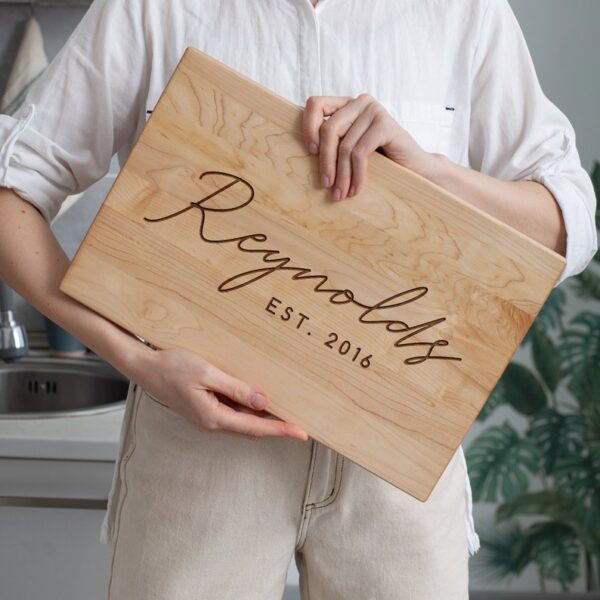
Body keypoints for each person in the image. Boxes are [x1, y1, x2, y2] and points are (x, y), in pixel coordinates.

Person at [0, 0, 596, 598]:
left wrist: (433, 174)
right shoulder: (151, 8)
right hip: (197, 439)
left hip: (396, 462)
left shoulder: (465, 13)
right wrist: (140, 362)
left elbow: (569, 223)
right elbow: (10, 193)